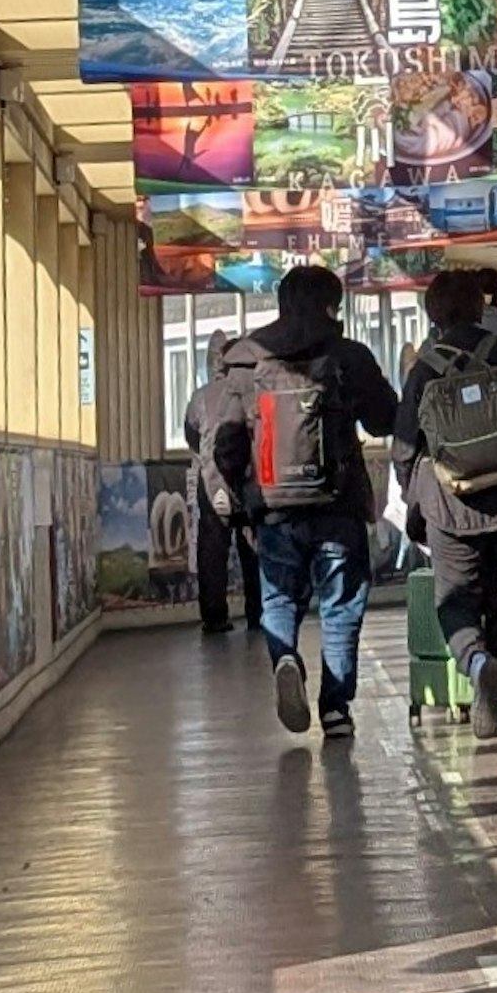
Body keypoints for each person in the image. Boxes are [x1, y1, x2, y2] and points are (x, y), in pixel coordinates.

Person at [237, 259, 403, 745]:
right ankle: (336, 709)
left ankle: (285, 657)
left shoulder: (248, 359)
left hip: (272, 505)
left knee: (280, 596)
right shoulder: (348, 354)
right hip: (339, 503)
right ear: (333, 305)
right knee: (341, 604)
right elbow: (384, 418)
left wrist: (241, 503)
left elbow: (226, 436)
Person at [395, 261, 497, 737]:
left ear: (433, 313)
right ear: (480, 307)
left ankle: (476, 661)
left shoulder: (424, 368)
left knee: (455, 599)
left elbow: (405, 448)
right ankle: (495, 700)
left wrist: (413, 497)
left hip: (449, 504)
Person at [180, 306, 272, 641]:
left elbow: (190, 433)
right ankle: (258, 614)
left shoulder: (201, 397)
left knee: (212, 550)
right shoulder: (258, 389)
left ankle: (214, 618)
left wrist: (206, 457)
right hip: (250, 480)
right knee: (253, 548)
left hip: (212, 481)